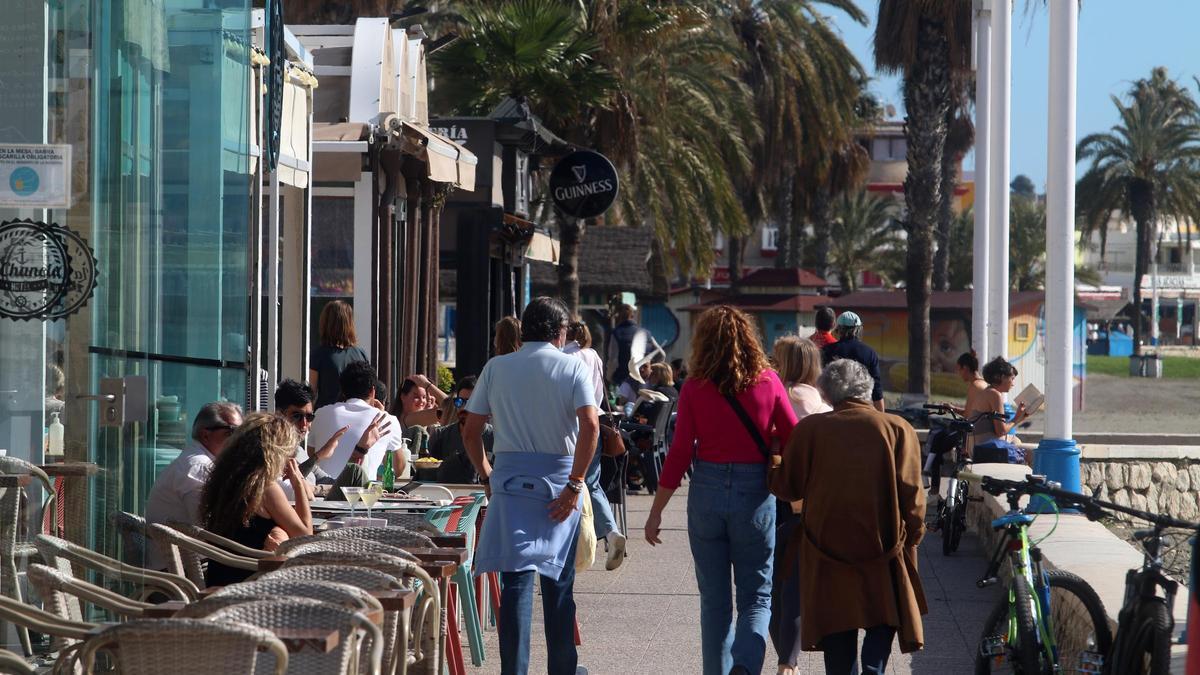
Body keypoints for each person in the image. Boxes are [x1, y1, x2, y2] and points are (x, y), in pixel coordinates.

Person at [643, 306, 798, 675]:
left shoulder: (695, 387)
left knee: (714, 602)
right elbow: (794, 434)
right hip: (754, 491)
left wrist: (656, 512)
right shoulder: (768, 381)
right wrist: (771, 442)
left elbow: (680, 452)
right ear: (749, 339)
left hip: (706, 489)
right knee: (757, 597)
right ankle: (745, 663)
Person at [462, 296, 599, 675]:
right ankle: (563, 669)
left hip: (509, 481)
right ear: (561, 332)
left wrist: (486, 472)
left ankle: (514, 671)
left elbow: (471, 430)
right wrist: (575, 484)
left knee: (516, 586)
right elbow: (590, 425)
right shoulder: (572, 368)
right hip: (559, 485)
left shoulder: (497, 367)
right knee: (558, 587)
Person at [769, 359, 927, 675]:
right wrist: (914, 534)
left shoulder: (811, 430)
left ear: (826, 393)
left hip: (826, 549)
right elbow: (913, 496)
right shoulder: (897, 428)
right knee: (883, 615)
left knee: (837, 625)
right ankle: (873, 669)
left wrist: (774, 459)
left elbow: (787, 487)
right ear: (867, 389)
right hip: (883, 546)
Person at [768, 336, 832, 673]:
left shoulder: (783, 396)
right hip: (811, 496)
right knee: (792, 579)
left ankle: (785, 658)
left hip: (779, 492)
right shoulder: (820, 402)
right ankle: (787, 660)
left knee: (775, 582)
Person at [200, 413, 313, 586]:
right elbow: (305, 535)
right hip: (252, 582)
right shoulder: (265, 487)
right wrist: (298, 484)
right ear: (276, 451)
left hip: (221, 575)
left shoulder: (226, 478)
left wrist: (279, 530)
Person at [145, 402, 243, 569]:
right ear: (205, 435)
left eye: (243, 432)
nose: (240, 439)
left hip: (182, 564)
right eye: (232, 432)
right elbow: (208, 529)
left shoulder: (198, 461)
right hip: (181, 572)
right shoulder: (199, 467)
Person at [563, 320, 626, 570]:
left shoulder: (565, 355)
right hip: (596, 421)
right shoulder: (594, 356)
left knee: (571, 480)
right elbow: (599, 393)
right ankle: (610, 532)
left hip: (572, 424)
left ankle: (577, 543)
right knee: (591, 482)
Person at [308, 361, 405, 483]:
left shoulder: (320, 413)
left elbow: (311, 455)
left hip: (320, 495)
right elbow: (397, 469)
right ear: (372, 391)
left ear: (343, 390)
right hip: (363, 496)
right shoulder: (387, 420)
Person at [427, 382, 495, 483]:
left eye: (470, 402)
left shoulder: (495, 437)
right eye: (459, 401)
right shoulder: (440, 436)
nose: (463, 407)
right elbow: (430, 475)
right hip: (447, 495)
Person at [970, 357, 1032, 463]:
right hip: (985, 448)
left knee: (1016, 440)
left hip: (977, 445)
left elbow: (997, 429)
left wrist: (1019, 418)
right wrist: (1016, 418)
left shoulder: (986, 392)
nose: (1013, 383)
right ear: (1002, 377)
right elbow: (1001, 431)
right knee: (1032, 454)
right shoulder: (995, 395)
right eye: (1012, 379)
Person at [309, 300, 369, 408]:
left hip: (328, 416)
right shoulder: (361, 354)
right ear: (349, 323)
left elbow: (311, 394)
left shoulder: (319, 355)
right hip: (357, 415)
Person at [822, 311, 885, 411]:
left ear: (838, 330)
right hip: (862, 408)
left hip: (833, 409)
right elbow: (876, 388)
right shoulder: (869, 353)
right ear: (858, 330)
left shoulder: (827, 351)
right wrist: (881, 414)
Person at [605, 303, 664, 395]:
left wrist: (609, 377)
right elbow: (661, 354)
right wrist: (650, 368)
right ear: (633, 316)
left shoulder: (616, 334)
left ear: (618, 317)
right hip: (644, 380)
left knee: (624, 407)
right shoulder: (646, 333)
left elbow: (613, 360)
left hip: (622, 380)